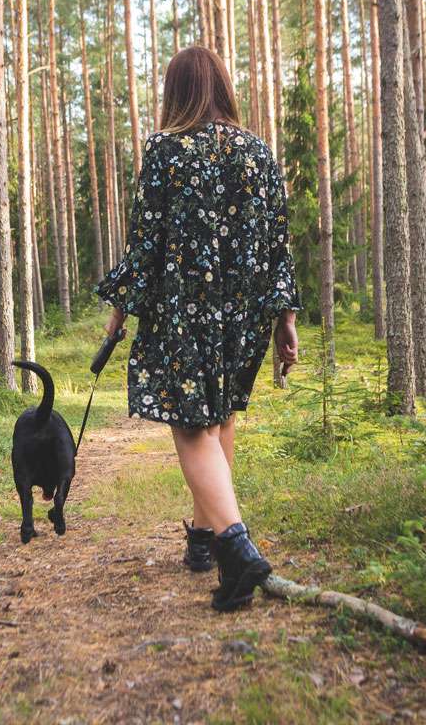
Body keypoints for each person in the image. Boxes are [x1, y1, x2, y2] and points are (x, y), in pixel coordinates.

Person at [96, 45, 300, 612]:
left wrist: (120, 311)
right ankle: (207, 541)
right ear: (224, 88)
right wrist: (285, 319)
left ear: (176, 91)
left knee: (192, 426)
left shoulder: (165, 150)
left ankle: (237, 546)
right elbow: (279, 245)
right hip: (246, 311)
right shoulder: (259, 153)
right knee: (220, 415)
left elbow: (146, 242)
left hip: (184, 305)